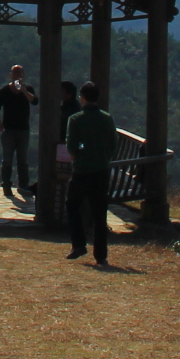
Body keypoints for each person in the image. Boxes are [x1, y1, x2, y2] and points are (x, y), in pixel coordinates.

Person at [65, 82, 119, 265]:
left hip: (81, 171)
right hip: (101, 171)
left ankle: (79, 244)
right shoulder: (107, 118)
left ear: (83, 97)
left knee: (72, 205)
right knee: (99, 213)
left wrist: (81, 150)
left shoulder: (76, 119)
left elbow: (72, 146)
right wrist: (104, 157)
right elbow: (113, 143)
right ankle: (101, 254)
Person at [0, 64, 38, 194]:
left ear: (23, 75)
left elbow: (34, 101)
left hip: (24, 130)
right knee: (7, 160)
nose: (17, 76)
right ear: (10, 75)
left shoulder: (28, 89)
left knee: (22, 160)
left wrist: (23, 90)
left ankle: (23, 186)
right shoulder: (4, 91)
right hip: (8, 130)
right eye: (15, 73)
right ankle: (6, 185)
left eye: (20, 73)